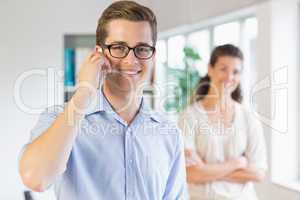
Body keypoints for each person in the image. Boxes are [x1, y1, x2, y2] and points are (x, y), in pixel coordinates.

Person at [19, 1, 187, 199]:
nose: (131, 61)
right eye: (119, 47)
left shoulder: (169, 133)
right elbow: (36, 179)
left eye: (142, 49)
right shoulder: (61, 118)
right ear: (99, 53)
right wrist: (83, 93)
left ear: (153, 55)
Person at [178, 44, 267, 200]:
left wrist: (206, 170)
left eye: (236, 72)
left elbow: (258, 173)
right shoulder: (189, 116)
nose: (229, 77)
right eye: (223, 69)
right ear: (210, 69)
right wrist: (237, 163)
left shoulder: (248, 118)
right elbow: (191, 173)